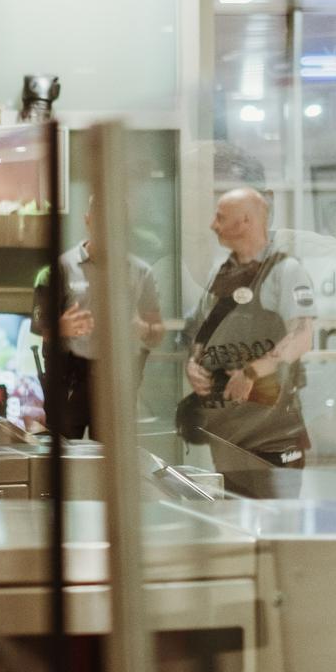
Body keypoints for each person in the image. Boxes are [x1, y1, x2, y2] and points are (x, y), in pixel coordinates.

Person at [182, 187, 317, 498]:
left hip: (271, 436)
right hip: (229, 435)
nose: (212, 225)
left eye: (220, 217)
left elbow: (302, 336)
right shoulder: (225, 272)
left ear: (245, 221)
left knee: (275, 527)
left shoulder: (285, 271)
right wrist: (194, 362)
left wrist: (253, 372)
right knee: (237, 525)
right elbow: (202, 327)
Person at [31, 202, 164, 440]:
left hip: (117, 378)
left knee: (111, 460)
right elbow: (42, 328)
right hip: (69, 378)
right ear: (88, 220)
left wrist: (142, 329)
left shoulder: (140, 271)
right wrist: (63, 326)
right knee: (65, 457)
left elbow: (157, 332)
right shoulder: (58, 269)